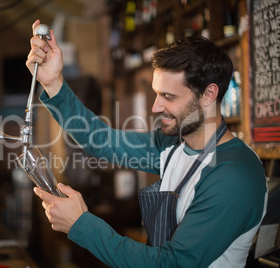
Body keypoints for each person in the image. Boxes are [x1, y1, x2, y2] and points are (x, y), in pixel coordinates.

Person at [26, 19, 267, 267]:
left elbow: (171, 264)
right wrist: (53, 83)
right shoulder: (173, 145)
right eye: (156, 93)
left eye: (168, 96)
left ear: (209, 94)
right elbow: (101, 140)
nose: (156, 106)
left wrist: (81, 224)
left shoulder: (233, 175)